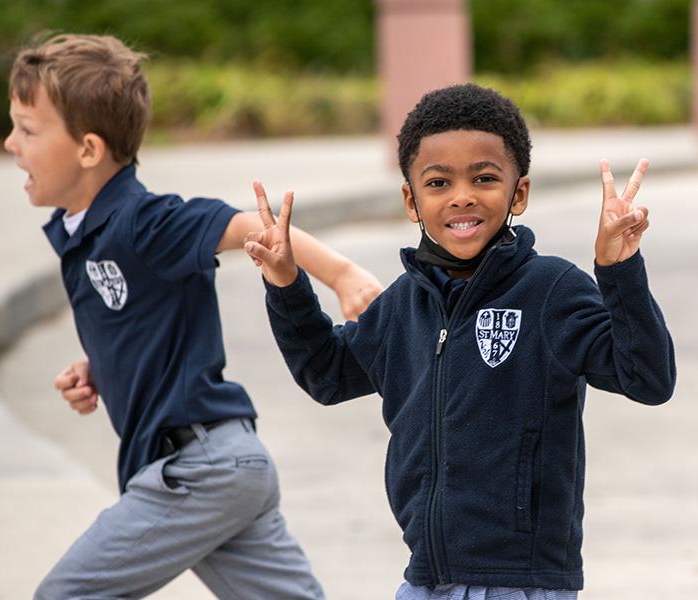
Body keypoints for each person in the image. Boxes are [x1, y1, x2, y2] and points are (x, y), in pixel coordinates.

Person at [244, 83, 676, 599]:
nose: (462, 196)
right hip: (425, 579)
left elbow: (647, 378)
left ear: (519, 193)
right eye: (438, 182)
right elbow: (327, 374)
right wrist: (287, 285)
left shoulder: (551, 291)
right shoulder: (404, 304)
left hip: (523, 584)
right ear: (412, 199)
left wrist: (618, 268)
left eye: (485, 178)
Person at [3, 33, 381, 599]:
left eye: (27, 130)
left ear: (88, 149)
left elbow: (247, 226)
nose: (11, 144)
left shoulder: (144, 221)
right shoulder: (84, 232)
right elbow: (140, 316)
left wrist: (343, 276)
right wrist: (99, 365)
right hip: (227, 466)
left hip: (197, 470)